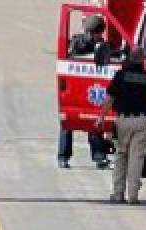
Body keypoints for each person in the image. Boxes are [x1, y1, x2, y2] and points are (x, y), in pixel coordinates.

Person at [98, 47, 146, 204]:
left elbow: (110, 99)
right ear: (141, 60)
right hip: (140, 121)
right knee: (136, 158)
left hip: (122, 120)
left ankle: (118, 193)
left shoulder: (120, 75)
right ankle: (133, 195)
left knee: (121, 156)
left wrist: (101, 117)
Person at [59, 14, 112, 170]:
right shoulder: (77, 42)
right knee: (68, 123)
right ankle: (63, 156)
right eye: (96, 33)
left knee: (95, 120)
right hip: (75, 87)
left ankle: (98, 156)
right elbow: (70, 57)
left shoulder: (102, 44)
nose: (97, 36)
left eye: (99, 33)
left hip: (91, 86)